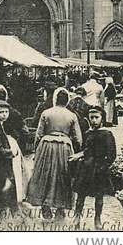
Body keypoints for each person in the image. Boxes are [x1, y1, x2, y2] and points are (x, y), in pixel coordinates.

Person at [26, 88, 82, 221]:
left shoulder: (46, 113)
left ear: (55, 99)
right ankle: (60, 208)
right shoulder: (71, 115)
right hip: (64, 147)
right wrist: (77, 150)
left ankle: (45, 207)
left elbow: (39, 134)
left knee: (45, 175)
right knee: (62, 176)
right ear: (67, 100)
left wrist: (36, 150)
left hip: (46, 146)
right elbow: (78, 138)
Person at [73, 105, 117, 231]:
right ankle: (77, 218)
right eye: (91, 117)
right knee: (81, 195)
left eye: (96, 117)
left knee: (99, 196)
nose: (93, 120)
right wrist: (81, 157)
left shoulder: (107, 134)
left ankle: (97, 219)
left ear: (102, 119)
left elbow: (112, 154)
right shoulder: (88, 133)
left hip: (99, 170)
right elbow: (86, 149)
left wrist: (103, 167)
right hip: (86, 168)